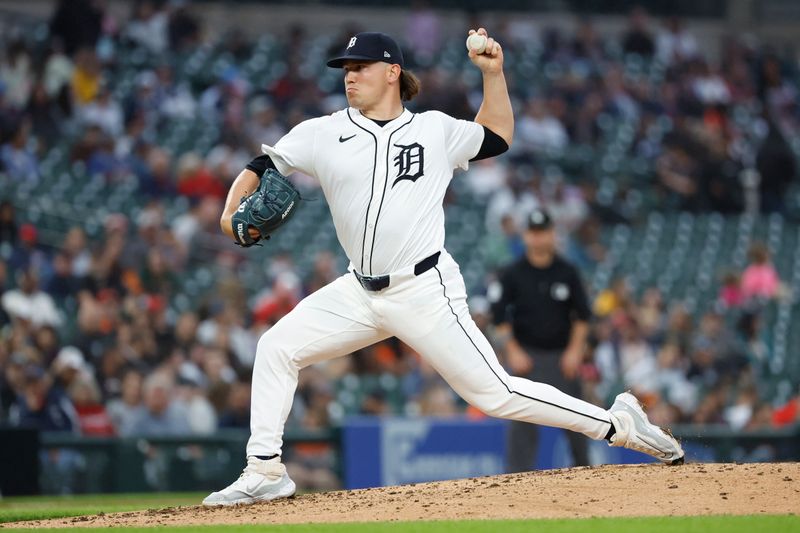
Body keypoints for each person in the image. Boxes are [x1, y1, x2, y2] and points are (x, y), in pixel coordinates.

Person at [205, 29, 683, 507]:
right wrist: (230, 214)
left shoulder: (434, 130)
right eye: (346, 70)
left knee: (496, 395)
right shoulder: (323, 132)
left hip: (423, 289)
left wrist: (492, 75)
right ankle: (265, 469)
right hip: (358, 291)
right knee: (275, 347)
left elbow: (496, 136)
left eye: (361, 68)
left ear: (392, 72)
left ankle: (619, 425)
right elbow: (260, 166)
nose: (350, 78)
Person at [490, 209, 593, 471]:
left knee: (576, 419)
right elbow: (499, 317)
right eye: (533, 233)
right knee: (522, 420)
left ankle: (586, 473)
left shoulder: (567, 272)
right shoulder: (512, 273)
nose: (538, 238)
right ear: (526, 236)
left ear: (552, 234)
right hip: (527, 358)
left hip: (562, 359)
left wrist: (574, 351)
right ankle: (517, 480)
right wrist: (512, 350)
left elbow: (582, 316)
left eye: (543, 232)